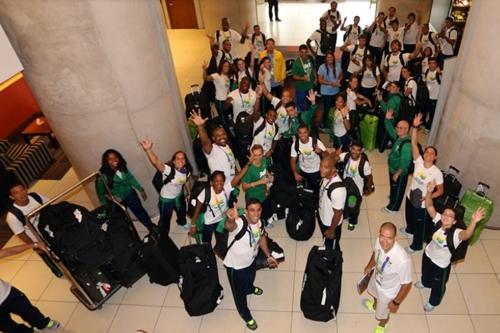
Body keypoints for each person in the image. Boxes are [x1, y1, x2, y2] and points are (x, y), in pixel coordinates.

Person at [415, 182, 486, 312]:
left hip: (441, 265)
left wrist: (474, 222)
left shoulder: (456, 233)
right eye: (445, 213)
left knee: (438, 285)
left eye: (450, 215)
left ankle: (433, 301)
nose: (446, 216)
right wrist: (429, 192)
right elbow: (429, 205)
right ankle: (425, 283)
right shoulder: (438, 221)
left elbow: (467, 234)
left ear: (454, 221)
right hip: (428, 255)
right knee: (425, 273)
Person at [224, 201, 279, 331]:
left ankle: (249, 288)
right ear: (246, 212)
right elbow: (230, 227)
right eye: (252, 210)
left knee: (250, 278)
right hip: (236, 267)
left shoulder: (259, 222)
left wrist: (268, 255)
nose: (256, 213)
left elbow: (261, 238)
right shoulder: (240, 223)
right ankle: (245, 314)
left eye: (258, 210)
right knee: (239, 294)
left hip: (251, 260)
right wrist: (230, 219)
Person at [403, 113, 444, 252]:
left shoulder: (437, 173)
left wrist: (429, 197)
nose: (428, 154)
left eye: (432, 153)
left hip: (422, 202)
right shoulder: (419, 162)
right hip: (411, 196)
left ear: (435, 157)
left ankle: (416, 245)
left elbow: (441, 191)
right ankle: (409, 229)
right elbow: (414, 143)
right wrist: (414, 127)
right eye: (427, 152)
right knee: (409, 216)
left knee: (420, 225)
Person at [5, 181, 63, 278]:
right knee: (46, 255)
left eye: (22, 189)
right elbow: (21, 234)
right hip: (37, 238)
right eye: (16, 193)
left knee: (60, 248)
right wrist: (35, 246)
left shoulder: (35, 196)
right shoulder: (12, 216)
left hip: (50, 229)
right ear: (12, 197)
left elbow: (50, 207)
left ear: (26, 189)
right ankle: (56, 269)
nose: (21, 194)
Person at [362, 222, 412, 333]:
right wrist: (369, 265)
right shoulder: (378, 241)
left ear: (395, 238)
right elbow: (375, 252)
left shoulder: (402, 259)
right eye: (382, 236)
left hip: (388, 290)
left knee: (383, 313)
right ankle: (375, 306)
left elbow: (407, 284)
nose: (384, 241)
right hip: (376, 277)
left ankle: (382, 324)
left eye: (389, 238)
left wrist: (396, 302)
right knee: (374, 294)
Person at [0, 243, 61, 332]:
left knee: (28, 311)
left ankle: (42, 323)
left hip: (7, 294)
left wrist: (34, 245)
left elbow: (5, 252)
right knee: (9, 328)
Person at [96, 149, 158, 233]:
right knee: (121, 218)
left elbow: (130, 178)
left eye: (115, 157)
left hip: (129, 194)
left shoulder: (121, 166)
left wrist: (140, 189)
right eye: (110, 159)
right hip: (117, 200)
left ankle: (150, 226)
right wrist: (106, 206)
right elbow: (100, 193)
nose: (114, 160)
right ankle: (128, 235)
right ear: (106, 161)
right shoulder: (102, 175)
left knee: (140, 211)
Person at [140, 140, 192, 237]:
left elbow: (187, 181)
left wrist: (189, 193)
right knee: (165, 218)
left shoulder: (187, 170)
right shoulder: (168, 170)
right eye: (177, 158)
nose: (180, 160)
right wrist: (148, 150)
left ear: (185, 161)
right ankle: (163, 234)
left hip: (179, 195)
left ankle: (182, 222)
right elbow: (156, 162)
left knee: (182, 211)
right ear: (173, 161)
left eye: (183, 158)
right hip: (166, 199)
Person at [190, 110, 236, 188]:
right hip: (220, 187)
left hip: (231, 184)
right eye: (218, 136)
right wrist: (200, 127)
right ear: (213, 138)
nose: (222, 137)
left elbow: (231, 162)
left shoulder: (226, 146)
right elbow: (205, 142)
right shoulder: (212, 150)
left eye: (223, 134)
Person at [338, 141, 374, 231]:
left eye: (358, 150)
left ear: (361, 151)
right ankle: (345, 215)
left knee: (353, 206)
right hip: (345, 186)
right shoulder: (346, 156)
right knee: (343, 202)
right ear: (350, 149)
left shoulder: (364, 164)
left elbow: (369, 176)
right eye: (353, 149)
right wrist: (335, 154)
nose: (355, 152)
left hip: (356, 190)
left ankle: (352, 222)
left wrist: (369, 188)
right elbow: (335, 158)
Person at [383, 110, 412, 213]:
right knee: (393, 187)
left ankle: (393, 207)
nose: (398, 129)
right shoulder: (399, 137)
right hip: (393, 169)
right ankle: (392, 196)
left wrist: (397, 173)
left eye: (401, 128)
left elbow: (405, 162)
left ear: (407, 130)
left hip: (399, 172)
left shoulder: (407, 145)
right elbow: (390, 129)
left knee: (398, 189)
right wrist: (387, 119)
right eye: (398, 127)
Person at [317, 154, 346, 251]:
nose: (321, 169)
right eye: (321, 166)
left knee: (332, 247)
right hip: (323, 215)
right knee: (327, 241)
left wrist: (331, 230)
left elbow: (338, 214)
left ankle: (334, 262)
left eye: (325, 167)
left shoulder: (338, 190)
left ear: (333, 169)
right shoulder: (326, 176)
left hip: (330, 223)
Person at [291, 124, 327, 194]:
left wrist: (320, 152)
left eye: (305, 132)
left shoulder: (315, 142)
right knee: (306, 191)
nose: (302, 135)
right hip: (303, 171)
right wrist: (295, 173)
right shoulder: (296, 144)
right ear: (297, 134)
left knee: (317, 191)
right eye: (300, 133)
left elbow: (327, 156)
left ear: (308, 132)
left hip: (316, 171)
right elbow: (293, 160)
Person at [203, 59, 232, 130]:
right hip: (220, 102)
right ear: (221, 66)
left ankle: (229, 132)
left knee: (228, 119)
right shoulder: (216, 75)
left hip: (227, 101)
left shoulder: (228, 76)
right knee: (224, 121)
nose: (226, 68)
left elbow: (227, 89)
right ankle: (228, 136)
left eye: (228, 66)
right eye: (224, 66)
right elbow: (206, 78)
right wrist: (204, 70)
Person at [317, 51, 342, 129]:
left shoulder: (338, 65)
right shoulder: (322, 67)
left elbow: (341, 74)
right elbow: (320, 80)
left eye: (331, 57)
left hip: (336, 92)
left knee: (335, 109)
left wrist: (339, 80)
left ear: (333, 58)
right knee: (327, 109)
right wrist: (331, 83)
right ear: (326, 58)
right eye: (328, 57)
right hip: (326, 92)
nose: (329, 59)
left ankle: (332, 122)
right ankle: (323, 123)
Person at [292, 44, 316, 112]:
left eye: (305, 52)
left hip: (310, 86)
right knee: (300, 104)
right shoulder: (296, 63)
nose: (304, 54)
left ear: (307, 52)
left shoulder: (309, 59)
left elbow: (313, 68)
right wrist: (303, 78)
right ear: (299, 52)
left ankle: (308, 118)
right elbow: (294, 76)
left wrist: (315, 78)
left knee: (310, 103)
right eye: (302, 52)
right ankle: (301, 120)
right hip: (301, 87)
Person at [422, 57, 441, 131]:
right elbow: (425, 82)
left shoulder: (438, 73)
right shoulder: (427, 71)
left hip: (435, 97)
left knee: (432, 114)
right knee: (425, 111)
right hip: (427, 96)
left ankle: (429, 128)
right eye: (430, 63)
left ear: (436, 64)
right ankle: (424, 124)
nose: (431, 65)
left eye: (433, 63)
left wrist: (439, 73)